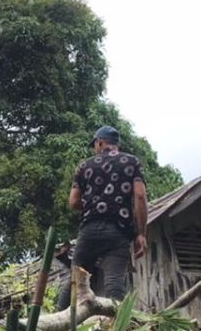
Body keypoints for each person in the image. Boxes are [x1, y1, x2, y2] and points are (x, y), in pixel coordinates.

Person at [57, 126, 148, 309]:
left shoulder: (85, 166)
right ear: (116, 145)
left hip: (89, 230)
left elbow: (73, 201)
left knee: (76, 278)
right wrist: (141, 234)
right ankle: (116, 328)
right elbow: (140, 197)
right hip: (119, 231)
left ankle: (57, 320)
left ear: (99, 143)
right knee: (114, 282)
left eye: (95, 145)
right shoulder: (131, 162)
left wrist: (95, 207)